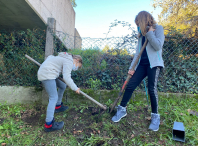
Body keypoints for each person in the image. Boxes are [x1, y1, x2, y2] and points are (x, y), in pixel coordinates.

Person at [112, 11, 165, 131]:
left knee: (152, 89)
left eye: (138, 24)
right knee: (130, 85)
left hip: (154, 64)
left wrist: (150, 34)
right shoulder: (141, 34)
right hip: (141, 64)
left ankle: (155, 117)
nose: (137, 27)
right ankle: (122, 109)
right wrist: (132, 68)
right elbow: (137, 53)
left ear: (143, 21)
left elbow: (158, 46)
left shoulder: (158, 29)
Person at [37, 52, 82, 132]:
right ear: (77, 60)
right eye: (77, 67)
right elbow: (66, 77)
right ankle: (49, 125)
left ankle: (57, 106)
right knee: (53, 98)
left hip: (49, 73)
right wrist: (75, 88)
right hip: (48, 75)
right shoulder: (69, 61)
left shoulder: (63, 58)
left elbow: (49, 57)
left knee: (62, 86)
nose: (75, 68)